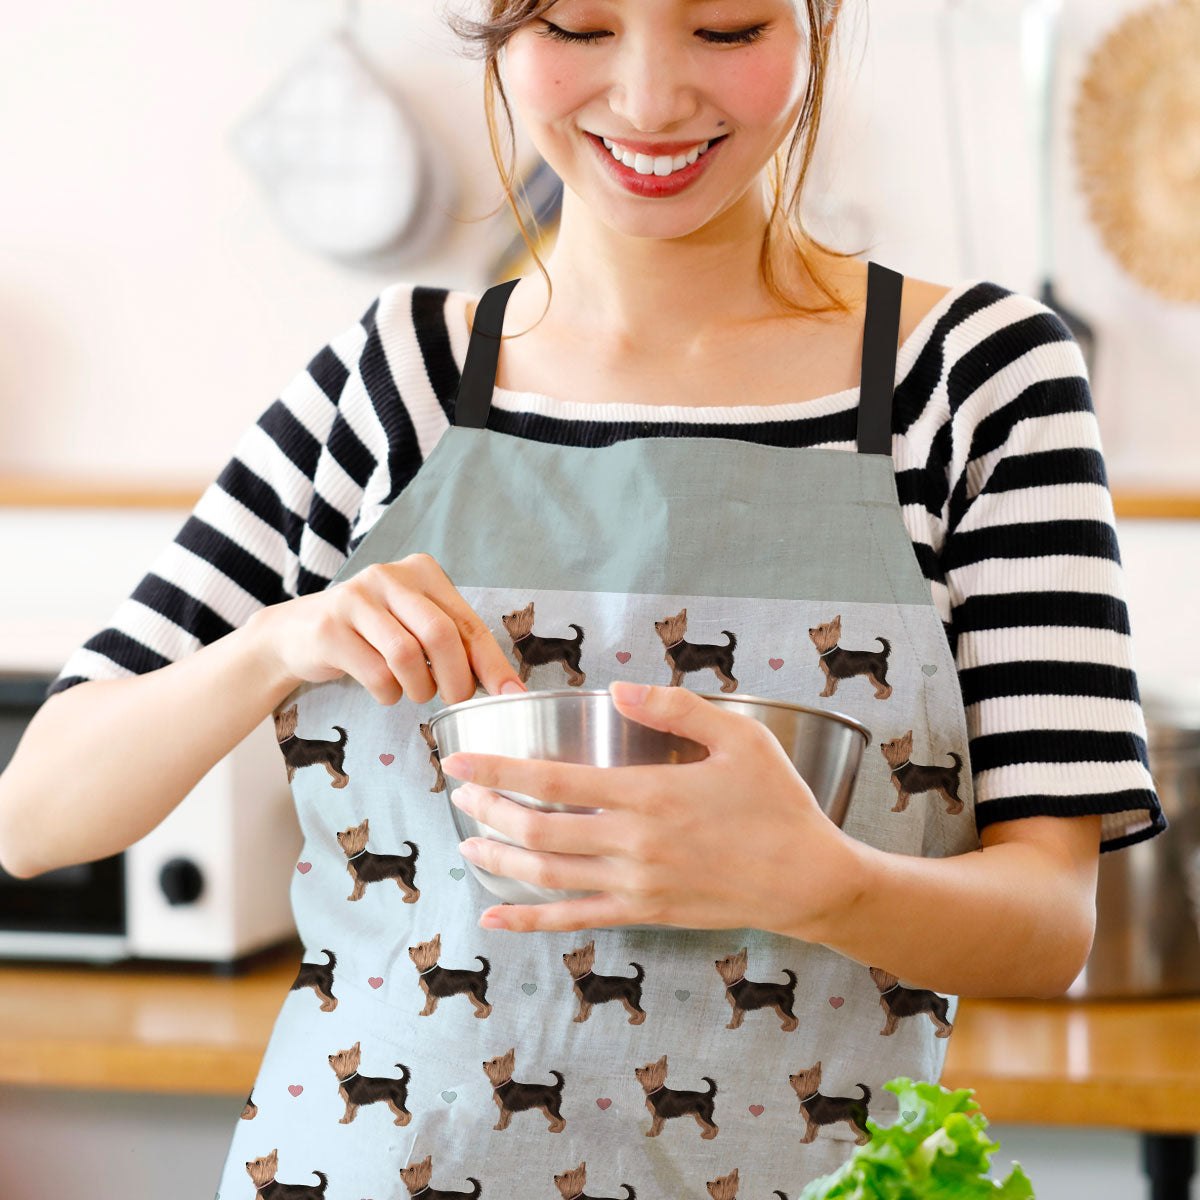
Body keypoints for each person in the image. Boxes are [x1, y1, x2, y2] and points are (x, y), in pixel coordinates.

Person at [0, 0, 1166, 1194]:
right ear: (499, 32)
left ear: (815, 22)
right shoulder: (394, 380)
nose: (653, 100)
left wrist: (824, 884)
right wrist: (273, 642)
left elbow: (1047, 923)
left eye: (727, 28)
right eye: (578, 25)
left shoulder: (976, 382)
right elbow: (35, 815)